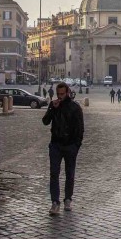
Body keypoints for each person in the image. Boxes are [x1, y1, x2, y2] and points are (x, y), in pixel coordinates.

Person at [42, 82, 84, 215]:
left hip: (70, 145)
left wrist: (76, 145)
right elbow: (45, 121)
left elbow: (80, 128)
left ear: (67, 93)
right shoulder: (54, 105)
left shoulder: (75, 108)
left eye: (62, 94)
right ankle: (55, 202)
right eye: (58, 94)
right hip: (56, 145)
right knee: (54, 174)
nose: (59, 97)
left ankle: (67, 199)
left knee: (69, 174)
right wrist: (52, 109)